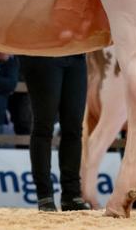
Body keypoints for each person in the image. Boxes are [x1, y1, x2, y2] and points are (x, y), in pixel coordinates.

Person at [23, 55, 91, 212]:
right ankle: (45, 195)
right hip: (43, 51)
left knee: (74, 128)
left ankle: (71, 194)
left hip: (76, 53)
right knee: (44, 127)